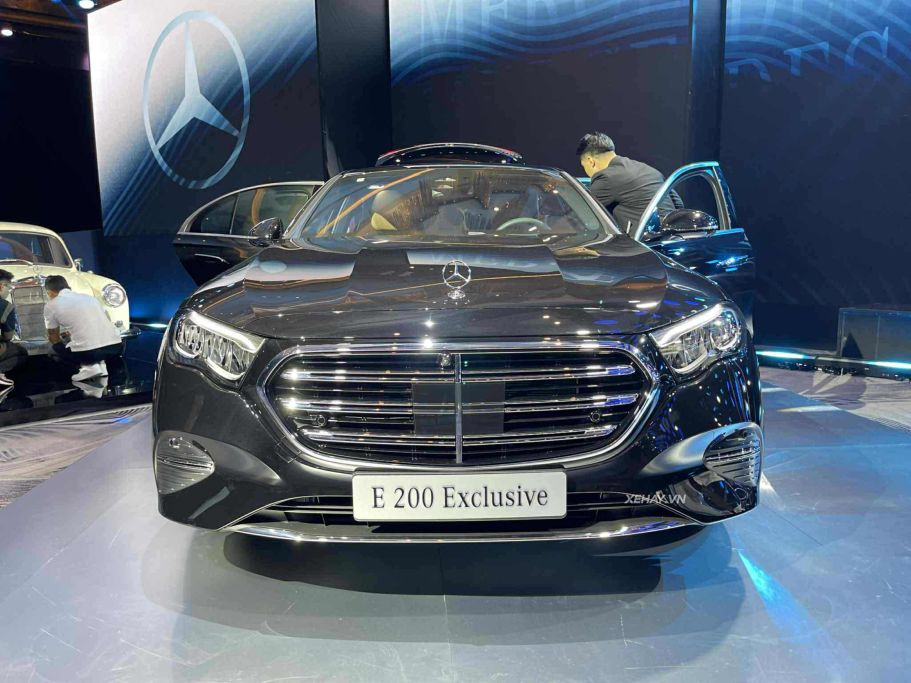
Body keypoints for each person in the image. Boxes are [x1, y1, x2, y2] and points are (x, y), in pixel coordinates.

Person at [576, 132, 678, 233]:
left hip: (645, 240)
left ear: (591, 161)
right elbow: (677, 203)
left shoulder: (606, 177)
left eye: (583, 166)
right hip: (674, 235)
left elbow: (581, 215)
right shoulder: (648, 170)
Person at [43, 275, 124, 382]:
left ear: (49, 292)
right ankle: (100, 365)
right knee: (87, 343)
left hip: (89, 354)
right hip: (116, 347)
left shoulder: (50, 305)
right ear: (68, 287)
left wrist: (60, 340)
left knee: (53, 349)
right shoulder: (90, 298)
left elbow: (53, 337)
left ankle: (86, 368)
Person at [0, 269, 27, 396]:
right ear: (1, 286)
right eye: (9, 287)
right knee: (20, 352)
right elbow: (8, 336)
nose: (9, 291)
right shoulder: (5, 305)